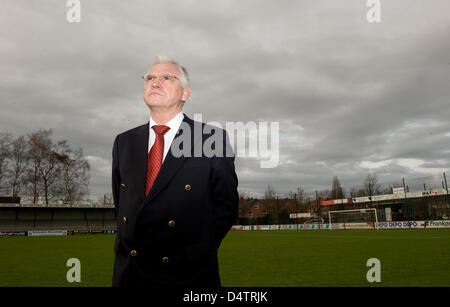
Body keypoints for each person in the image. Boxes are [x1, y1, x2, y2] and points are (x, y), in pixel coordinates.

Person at [111, 56, 239, 287]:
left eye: (167, 77)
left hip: (188, 274)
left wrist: (196, 251)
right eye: (150, 77)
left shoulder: (211, 139)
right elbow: (122, 204)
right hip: (131, 274)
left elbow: (226, 207)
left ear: (185, 94)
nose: (155, 82)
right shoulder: (124, 141)